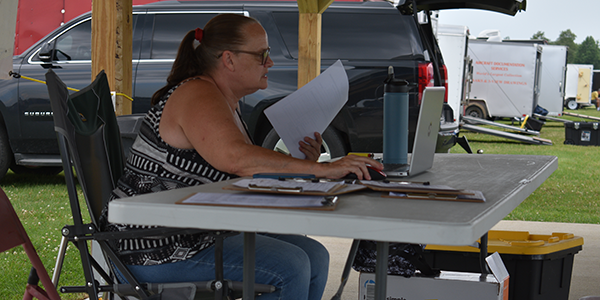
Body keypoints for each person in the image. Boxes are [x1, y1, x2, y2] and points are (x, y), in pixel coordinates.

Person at [99, 13, 383, 300]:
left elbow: (241, 170)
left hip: (191, 235)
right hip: (154, 249)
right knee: (291, 268)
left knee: (316, 256)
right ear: (229, 60)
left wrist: (301, 166)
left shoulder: (223, 100)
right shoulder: (197, 93)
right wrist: (318, 169)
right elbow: (236, 158)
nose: (269, 63)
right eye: (262, 55)